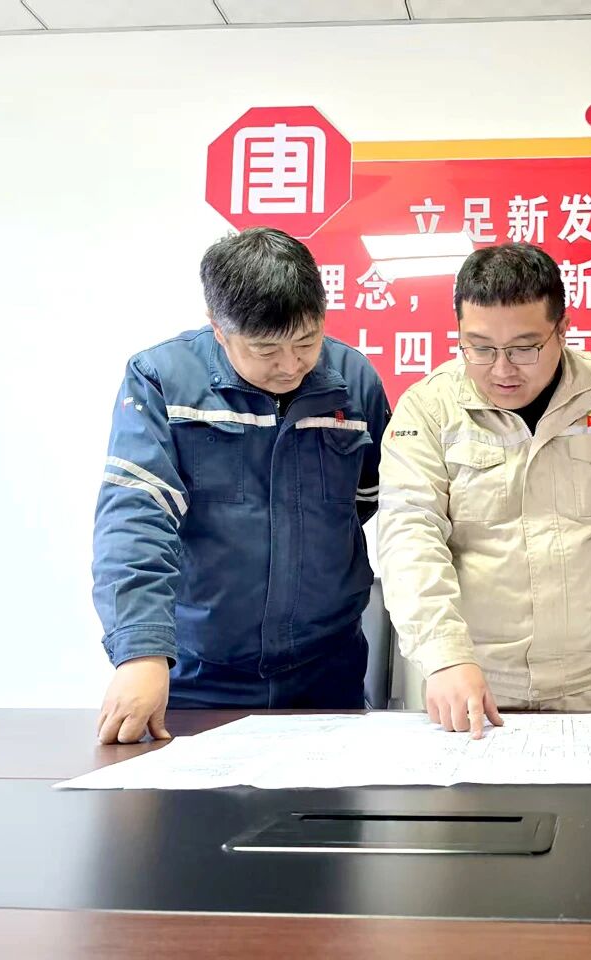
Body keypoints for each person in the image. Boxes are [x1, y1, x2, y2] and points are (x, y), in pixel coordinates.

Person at [378, 242, 591, 738]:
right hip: (476, 681)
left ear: (562, 329)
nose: (502, 369)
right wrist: (443, 655)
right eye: (480, 347)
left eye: (524, 348)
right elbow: (409, 533)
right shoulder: (429, 408)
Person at [92, 227, 389, 743]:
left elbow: (367, 500)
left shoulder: (353, 380)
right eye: (265, 349)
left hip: (327, 672)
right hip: (199, 673)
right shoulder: (163, 380)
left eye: (306, 342)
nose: (290, 366)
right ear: (219, 329)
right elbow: (137, 515)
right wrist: (141, 652)